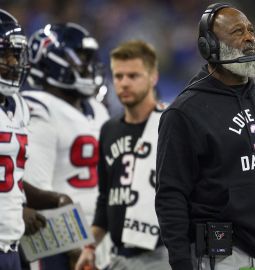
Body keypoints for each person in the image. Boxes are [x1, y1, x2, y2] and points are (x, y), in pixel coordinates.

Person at [155, 3, 255, 270]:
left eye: (250, 30)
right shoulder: (185, 111)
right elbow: (171, 197)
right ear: (209, 46)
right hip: (219, 257)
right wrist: (181, 263)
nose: (250, 38)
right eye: (238, 32)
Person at [75, 40, 170, 270]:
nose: (124, 83)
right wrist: (90, 247)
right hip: (118, 258)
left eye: (133, 76)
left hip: (161, 256)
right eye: (118, 76)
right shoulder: (109, 129)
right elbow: (106, 198)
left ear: (153, 77)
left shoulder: (171, 123)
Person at [22, 23, 110, 269]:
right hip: (57, 243)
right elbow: (38, 193)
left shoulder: (97, 108)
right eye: (81, 58)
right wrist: (73, 246)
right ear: (53, 61)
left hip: (98, 238)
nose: (89, 65)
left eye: (90, 58)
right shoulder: (39, 107)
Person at [0, 10, 73, 270]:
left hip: (10, 245)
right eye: (3, 54)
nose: (11, 61)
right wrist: (20, 212)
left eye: (14, 54)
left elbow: (11, 178)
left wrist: (47, 198)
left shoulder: (18, 104)